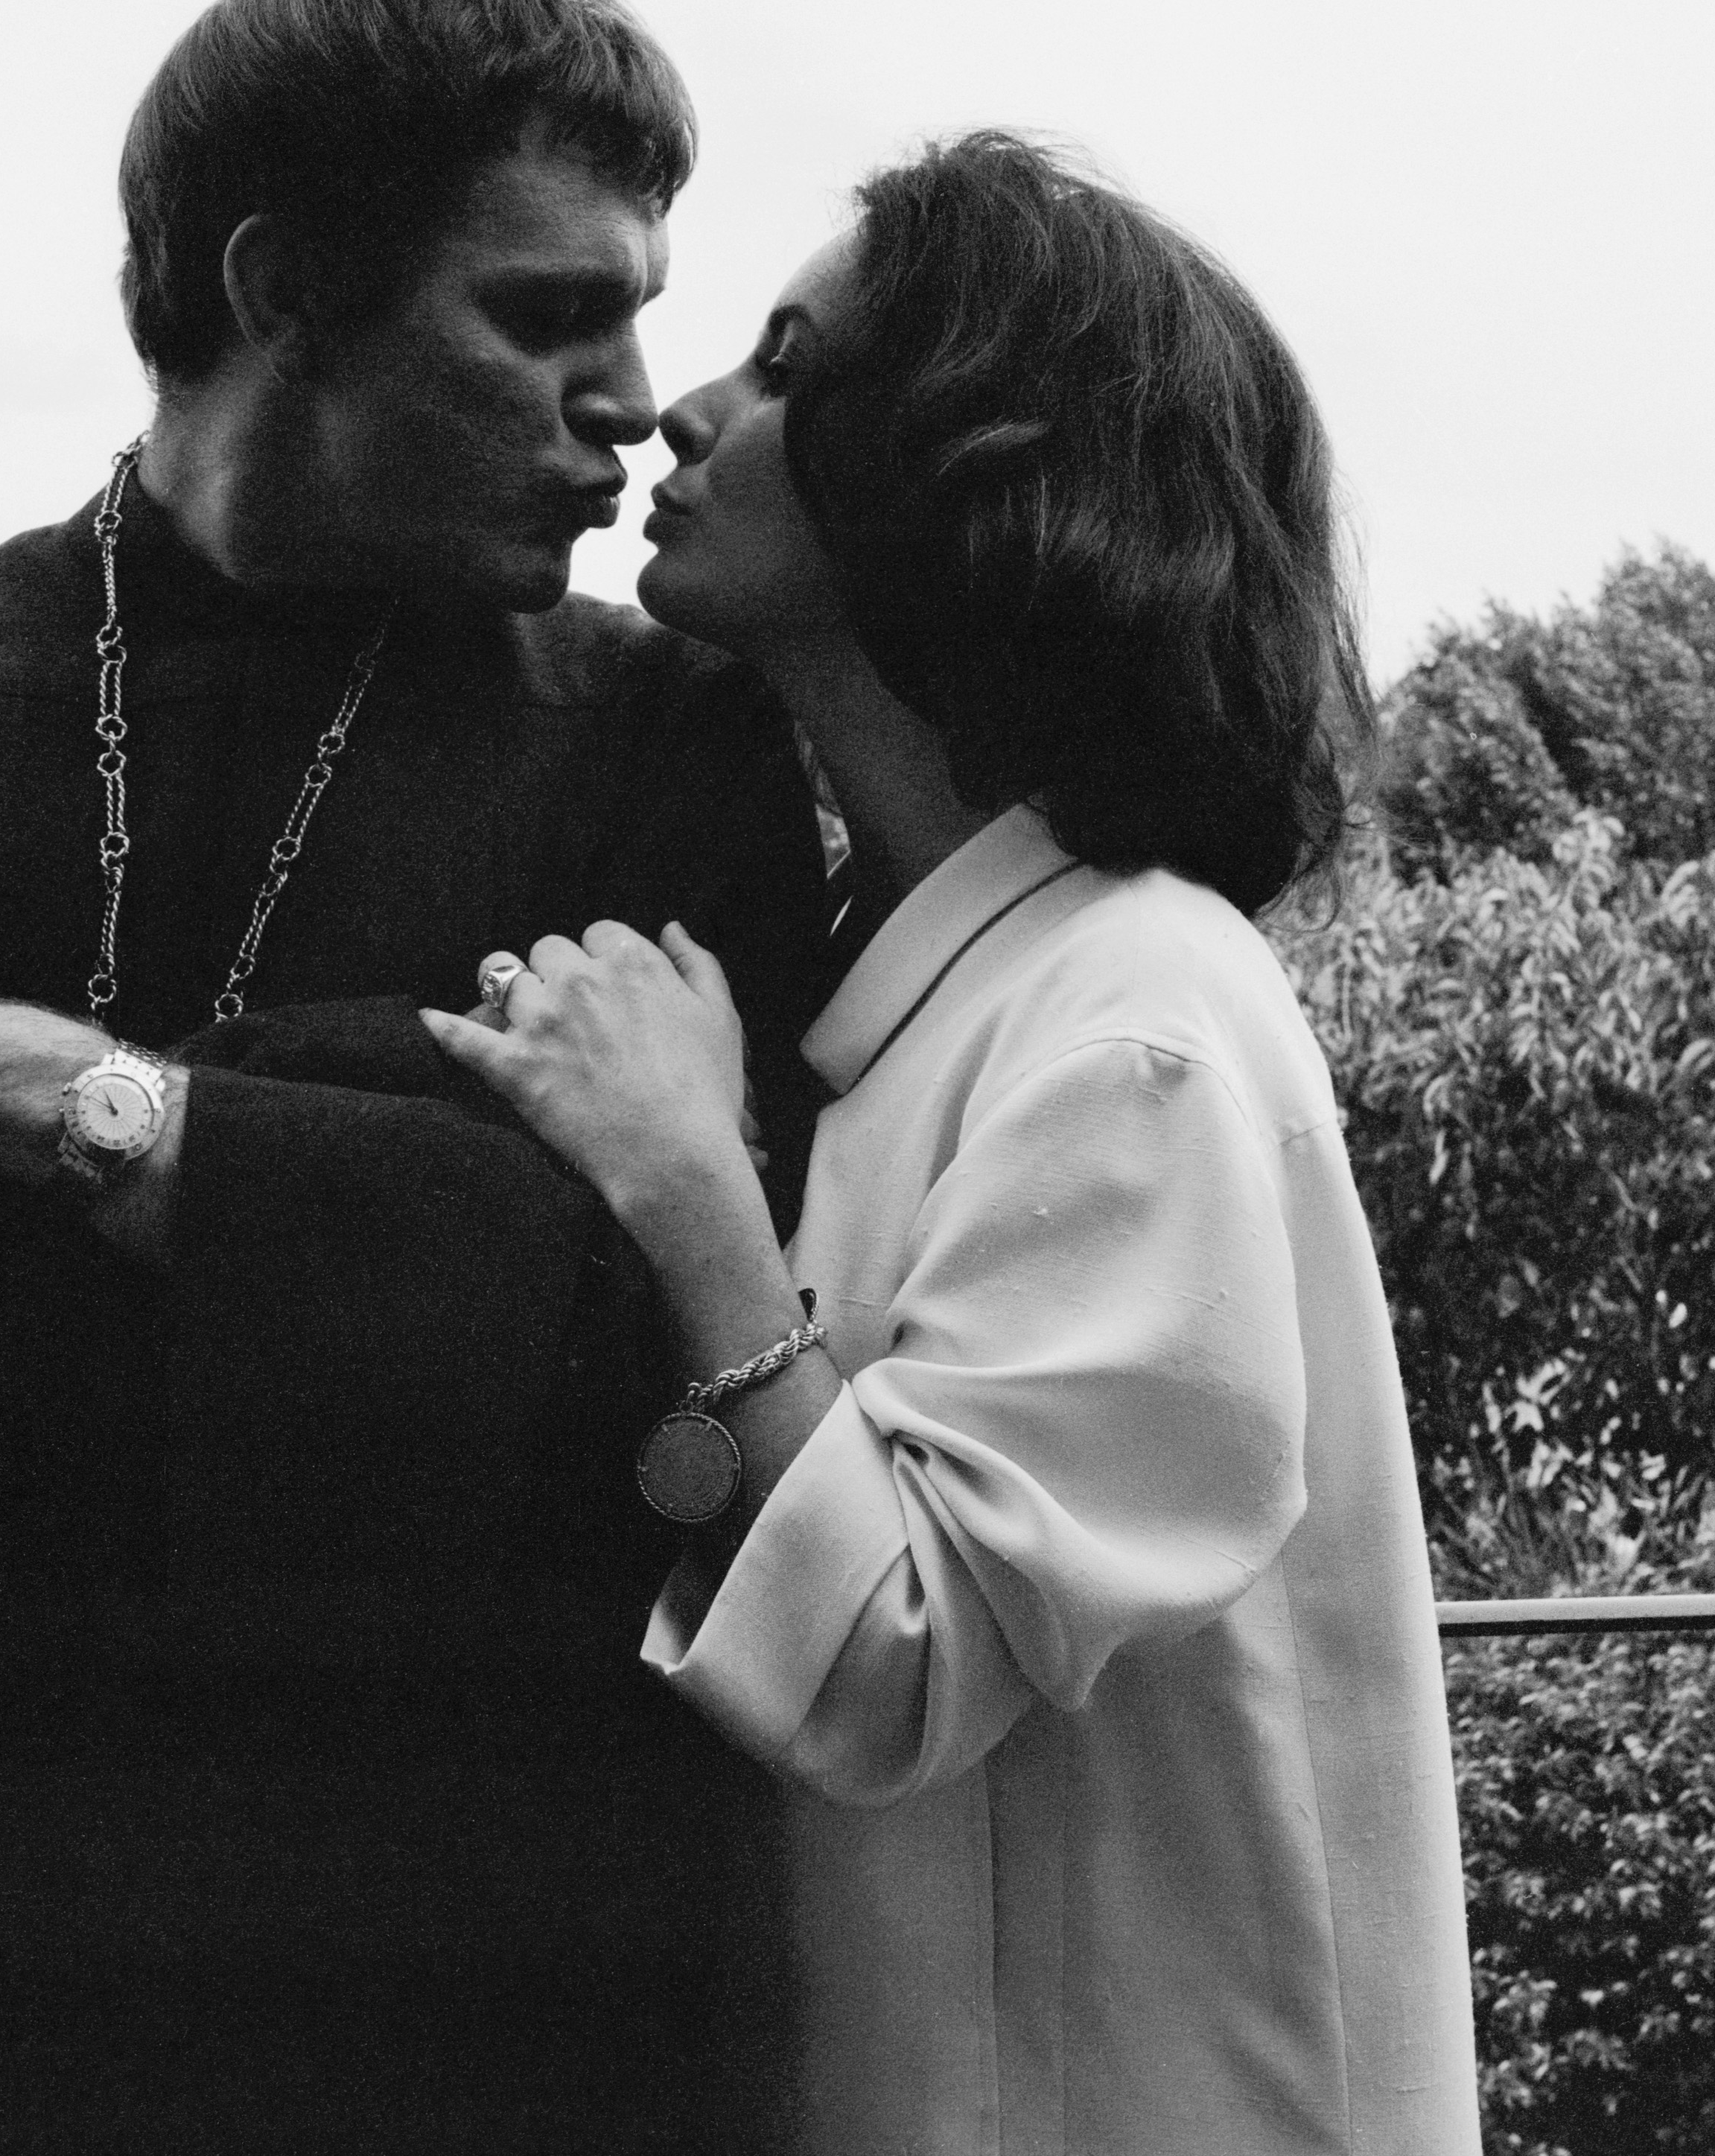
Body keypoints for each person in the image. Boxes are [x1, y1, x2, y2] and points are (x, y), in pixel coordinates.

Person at [0, 0, 828, 2154]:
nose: (636, 400)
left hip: (504, 2029)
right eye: (549, 312)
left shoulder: (674, 746)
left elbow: (655, 1392)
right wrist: (404, 1172)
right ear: (282, 284)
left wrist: (87, 1122)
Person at [427, 132, 1483, 2155]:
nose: (685, 411)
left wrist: (679, 1189)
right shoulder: (932, 1005)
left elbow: (890, 1664)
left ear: (969, 466)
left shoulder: (1132, 1021)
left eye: (790, 362)